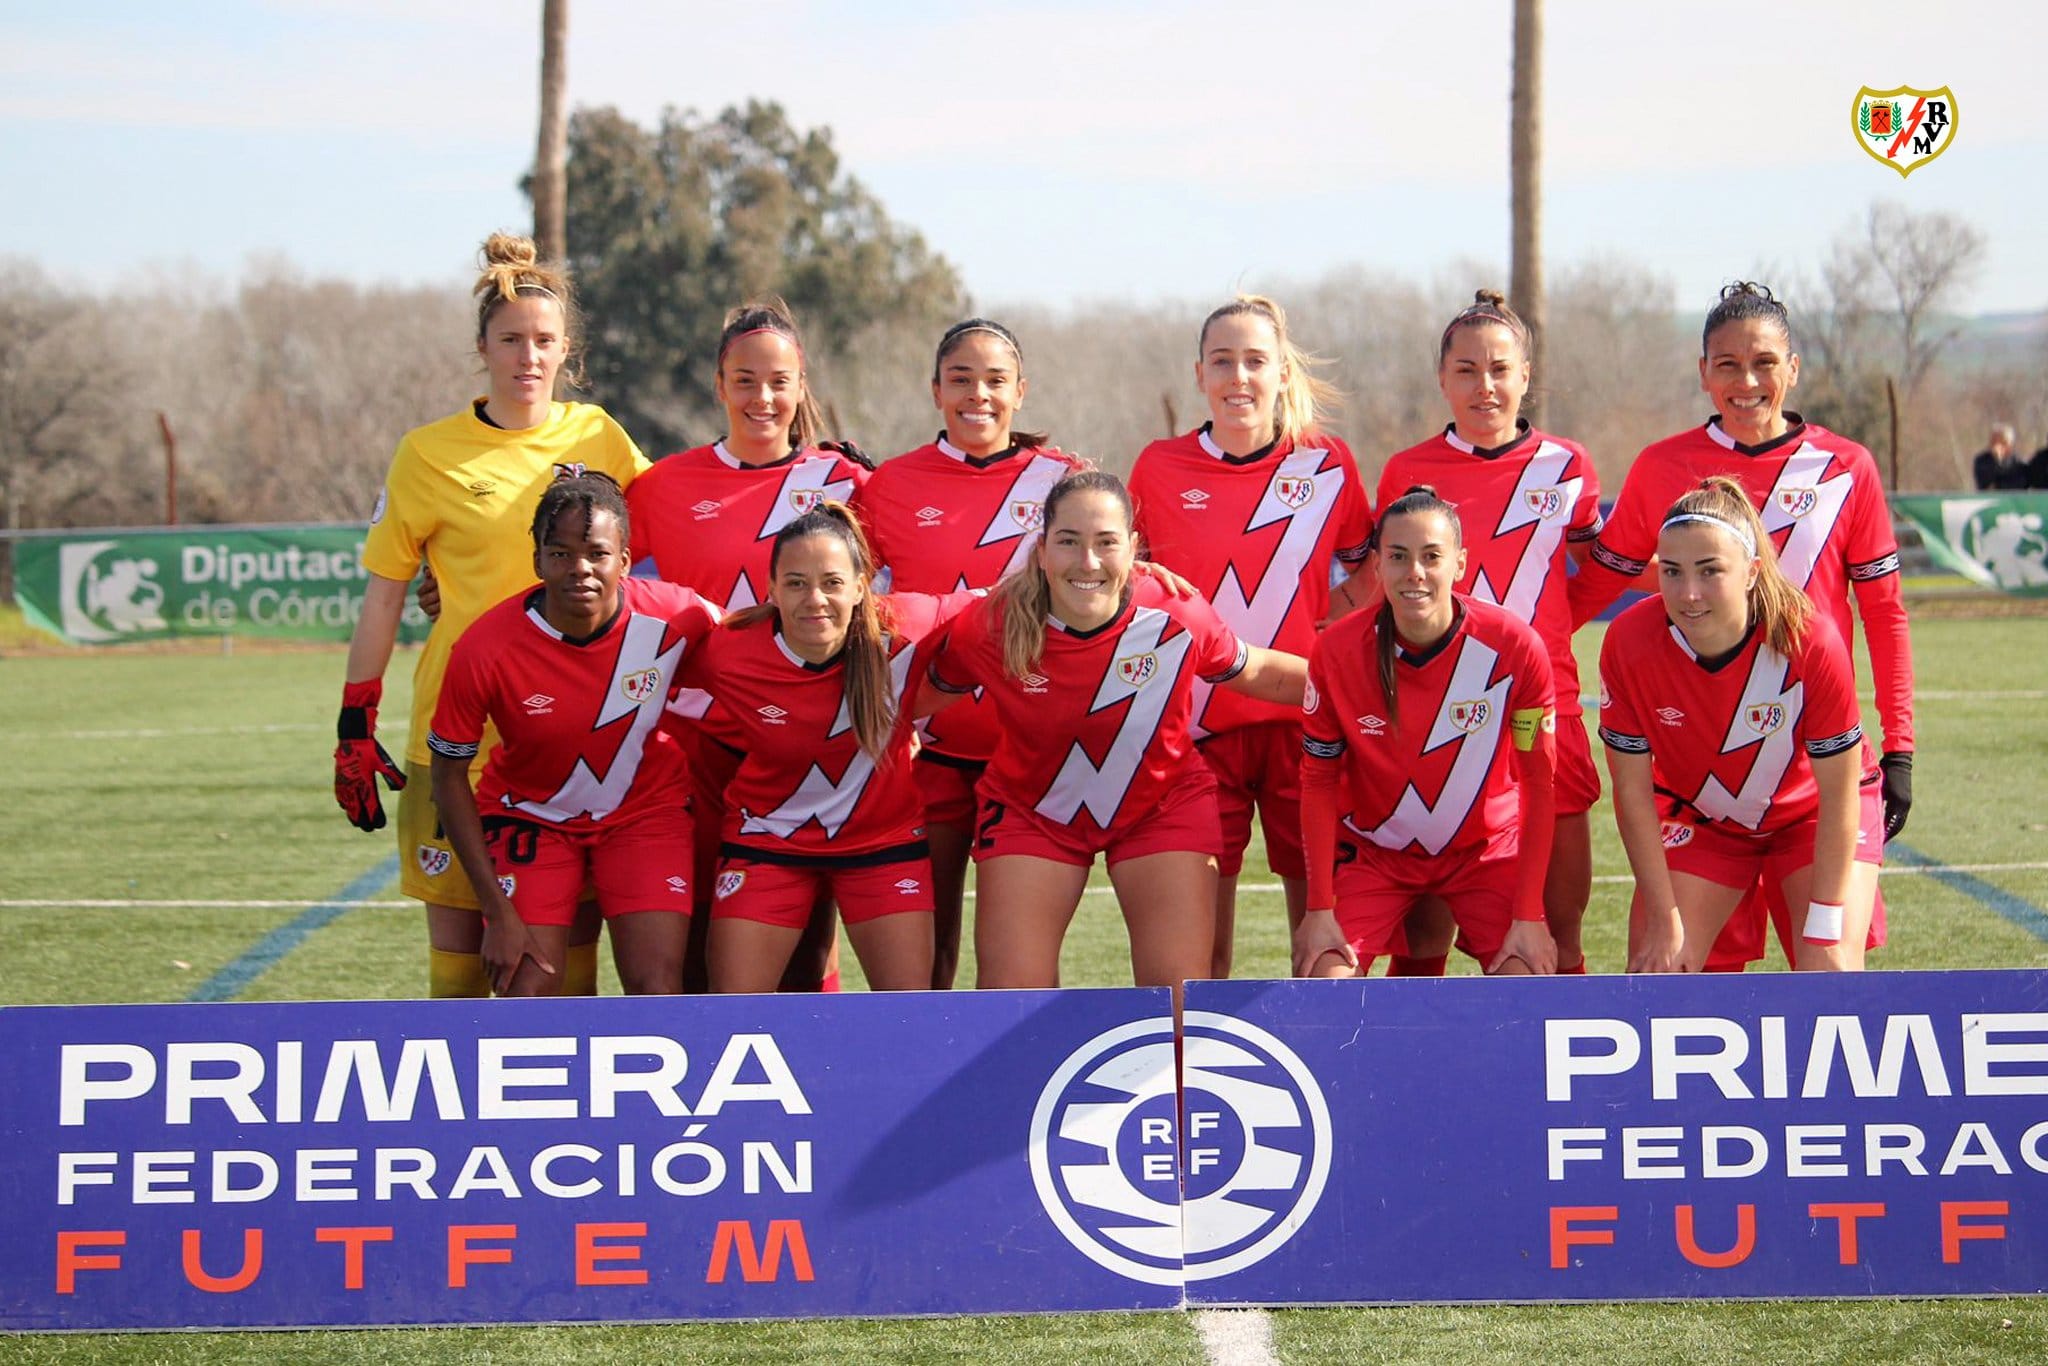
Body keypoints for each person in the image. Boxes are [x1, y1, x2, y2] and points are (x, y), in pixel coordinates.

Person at [334, 233, 648, 998]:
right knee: (461, 961)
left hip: (572, 736)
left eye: (544, 341)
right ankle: (459, 1123)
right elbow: (384, 592)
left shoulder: (598, 435)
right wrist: (354, 717)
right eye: (511, 340)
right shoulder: (427, 453)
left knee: (563, 960)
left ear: (566, 349)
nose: (528, 357)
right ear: (483, 348)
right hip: (456, 734)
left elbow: (660, 548)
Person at [1567, 282, 1912, 970]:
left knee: (1830, 979)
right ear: (1703, 373)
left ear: (1793, 367)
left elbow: (1885, 614)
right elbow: (1606, 582)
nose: (1746, 381)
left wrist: (1900, 745)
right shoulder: (1663, 465)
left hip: (1812, 778)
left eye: (1763, 362)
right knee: (1661, 978)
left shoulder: (1847, 469)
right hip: (1701, 787)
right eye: (1726, 364)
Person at [922, 471, 1308, 1016]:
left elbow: (1258, 672)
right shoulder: (992, 624)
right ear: (1040, 550)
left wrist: (1359, 691)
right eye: (1068, 541)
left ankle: (1170, 1101)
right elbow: (926, 691)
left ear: (1133, 549)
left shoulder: (1175, 612)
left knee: (1177, 1007)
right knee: (1008, 1003)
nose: (1088, 562)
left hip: (1162, 806)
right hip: (1033, 810)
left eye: (1106, 542)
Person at [625, 300, 874, 993]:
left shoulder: (851, 485)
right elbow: (598, 585)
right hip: (695, 745)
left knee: (807, 950)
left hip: (814, 741)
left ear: (801, 386)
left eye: (777, 381)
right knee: (703, 944)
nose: (762, 398)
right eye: (744, 380)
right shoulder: (661, 487)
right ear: (718, 385)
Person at [1125, 295, 1374, 979]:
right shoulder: (1159, 466)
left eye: (1256, 361)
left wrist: (1331, 634)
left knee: (1322, 940)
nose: (1240, 378)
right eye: (1223, 362)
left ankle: (1321, 1073)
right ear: (1199, 374)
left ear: (1282, 373)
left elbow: (1370, 566)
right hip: (1194, 735)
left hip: (1306, 724)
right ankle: (1191, 1080)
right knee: (1200, 954)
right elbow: (1128, 582)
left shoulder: (1328, 464)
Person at [1374, 290, 1602, 974]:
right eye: (1467, 370)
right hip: (1432, 718)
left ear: (1526, 375)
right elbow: (1383, 591)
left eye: (1500, 368)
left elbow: (1599, 573)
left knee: (1557, 937)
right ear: (1443, 379)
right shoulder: (1406, 472)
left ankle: (1559, 1078)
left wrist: (1547, 637)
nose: (1485, 385)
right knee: (1421, 947)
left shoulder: (1568, 467)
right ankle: (1420, 1077)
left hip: (1543, 709)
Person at [854, 319, 1085, 989]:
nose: (977, 395)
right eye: (960, 379)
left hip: (1031, 757)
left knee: (1017, 964)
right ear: (935, 391)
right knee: (927, 956)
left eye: (994, 381)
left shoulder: (1065, 481)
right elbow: (861, 618)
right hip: (928, 754)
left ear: (1021, 390)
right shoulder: (888, 485)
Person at [427, 476, 714, 995]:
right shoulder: (484, 648)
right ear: (536, 560)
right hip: (530, 815)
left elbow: (760, 640)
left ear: (625, 560)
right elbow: (447, 778)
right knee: (526, 990)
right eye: (560, 553)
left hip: (644, 813)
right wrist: (497, 910)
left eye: (597, 553)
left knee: (659, 990)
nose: (579, 568)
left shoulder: (680, 615)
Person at [685, 504, 976, 992]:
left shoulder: (909, 626)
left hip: (883, 843)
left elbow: (1007, 601)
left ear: (862, 587)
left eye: (832, 582)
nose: (815, 599)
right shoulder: (727, 650)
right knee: (733, 1011)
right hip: (767, 839)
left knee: (910, 1013)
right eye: (796, 583)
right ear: (772, 590)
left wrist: (1140, 581)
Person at [1599, 477, 1880, 972]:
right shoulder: (1627, 641)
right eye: (1671, 571)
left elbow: (1838, 794)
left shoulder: (1808, 639)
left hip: (1811, 818)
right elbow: (1631, 791)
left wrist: (1825, 923)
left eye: (1711, 572)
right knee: (1660, 969)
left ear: (1751, 572)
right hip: (1701, 820)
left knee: (1829, 968)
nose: (1688, 594)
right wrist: (1663, 917)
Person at [1293, 488, 1560, 980]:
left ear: (1460, 563)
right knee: (1323, 982)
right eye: (1398, 557)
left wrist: (1529, 915)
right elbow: (1318, 781)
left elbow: (1539, 785)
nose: (1414, 572)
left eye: (1431, 557)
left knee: (1526, 982)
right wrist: (1318, 909)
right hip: (1375, 856)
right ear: (1376, 565)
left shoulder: (1514, 647)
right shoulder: (1335, 651)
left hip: (1485, 853)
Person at [1973, 425, 2027, 490]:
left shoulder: (2020, 466)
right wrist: (1997, 460)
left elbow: (2018, 486)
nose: (1997, 445)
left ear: (2010, 445)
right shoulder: (1982, 461)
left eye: (2003, 442)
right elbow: (1985, 484)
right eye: (1994, 441)